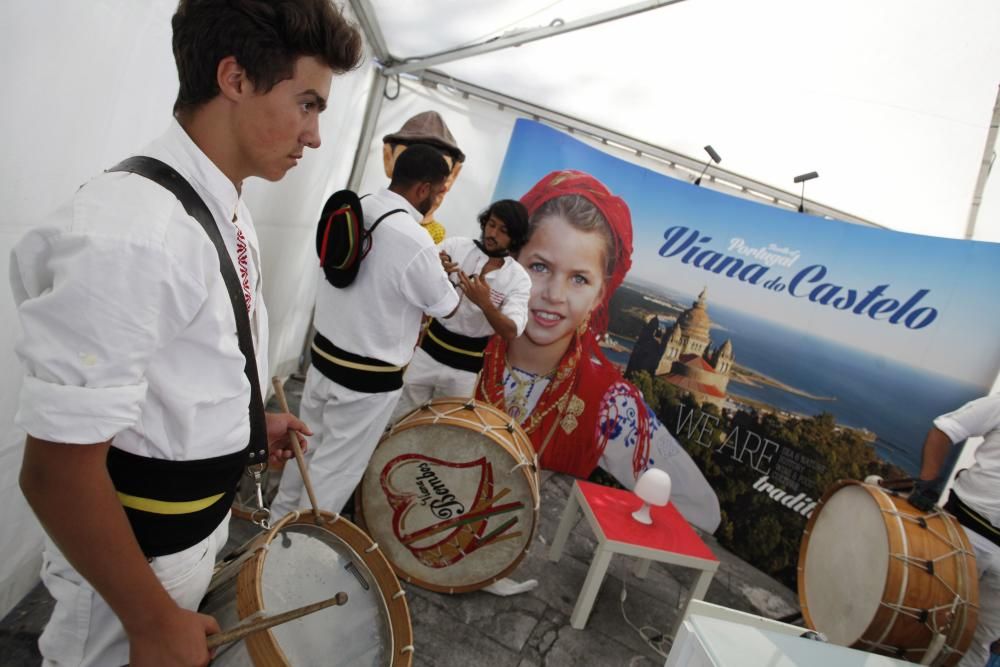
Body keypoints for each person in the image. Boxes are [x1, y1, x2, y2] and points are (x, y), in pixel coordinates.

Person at [10, 2, 361, 665]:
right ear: (234, 78)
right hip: (131, 570)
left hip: (183, 548)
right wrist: (149, 619)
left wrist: (248, 428)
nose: (315, 135)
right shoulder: (135, 233)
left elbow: (185, 372)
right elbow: (55, 471)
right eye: (307, 103)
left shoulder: (216, 202)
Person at [476, 170, 721, 534]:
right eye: (539, 267)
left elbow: (702, 510)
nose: (555, 295)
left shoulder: (609, 402)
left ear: (600, 295)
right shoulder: (459, 340)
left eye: (579, 279)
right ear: (512, 263)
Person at [271, 144, 461, 518]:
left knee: (305, 446)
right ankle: (294, 548)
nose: (437, 201)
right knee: (336, 468)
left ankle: (275, 526)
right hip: (367, 378)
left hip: (324, 359)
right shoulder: (415, 238)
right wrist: (446, 276)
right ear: (423, 188)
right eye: (438, 192)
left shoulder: (357, 205)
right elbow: (447, 307)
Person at [391, 199, 532, 422]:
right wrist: (437, 271)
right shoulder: (456, 246)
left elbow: (511, 331)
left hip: (465, 370)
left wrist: (485, 304)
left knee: (444, 429)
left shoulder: (518, 279)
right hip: (426, 354)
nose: (492, 233)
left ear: (515, 238)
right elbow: (414, 275)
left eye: (503, 231)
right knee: (398, 419)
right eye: (491, 224)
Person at [910, 394, 1000, 667]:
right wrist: (927, 484)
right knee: (916, 619)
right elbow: (945, 429)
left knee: (975, 644)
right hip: (966, 531)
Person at [382, 111, 465, 242]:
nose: (420, 187)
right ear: (388, 158)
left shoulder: (431, 236)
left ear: (452, 176)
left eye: (436, 171)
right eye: (410, 166)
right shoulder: (367, 211)